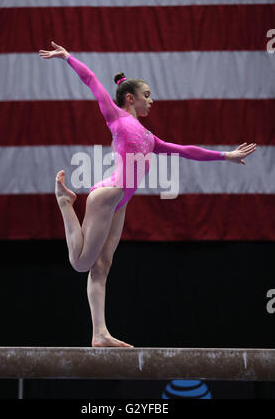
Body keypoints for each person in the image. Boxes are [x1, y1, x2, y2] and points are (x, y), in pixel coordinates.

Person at [39, 41, 257, 347]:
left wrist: (225, 156)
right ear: (130, 98)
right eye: (147, 95)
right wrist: (68, 58)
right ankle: (65, 203)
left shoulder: (149, 137)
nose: (151, 101)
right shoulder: (117, 117)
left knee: (102, 267)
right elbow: (92, 82)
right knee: (80, 263)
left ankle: (99, 333)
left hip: (121, 202)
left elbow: (185, 151)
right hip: (108, 193)